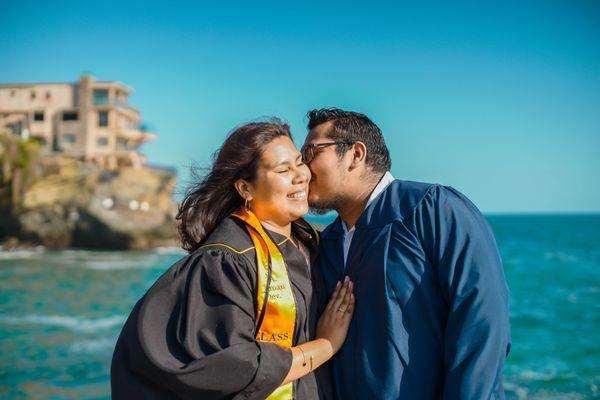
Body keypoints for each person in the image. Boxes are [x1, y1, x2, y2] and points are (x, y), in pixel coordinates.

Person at [111, 120, 354, 399]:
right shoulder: (226, 260)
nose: (300, 176)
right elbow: (237, 367)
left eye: (299, 163)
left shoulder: (314, 244)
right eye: (283, 170)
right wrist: (326, 344)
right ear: (245, 188)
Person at [301, 108, 511, 399]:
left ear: (355, 155)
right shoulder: (328, 243)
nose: (302, 168)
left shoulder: (433, 209)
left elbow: (482, 321)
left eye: (311, 152)